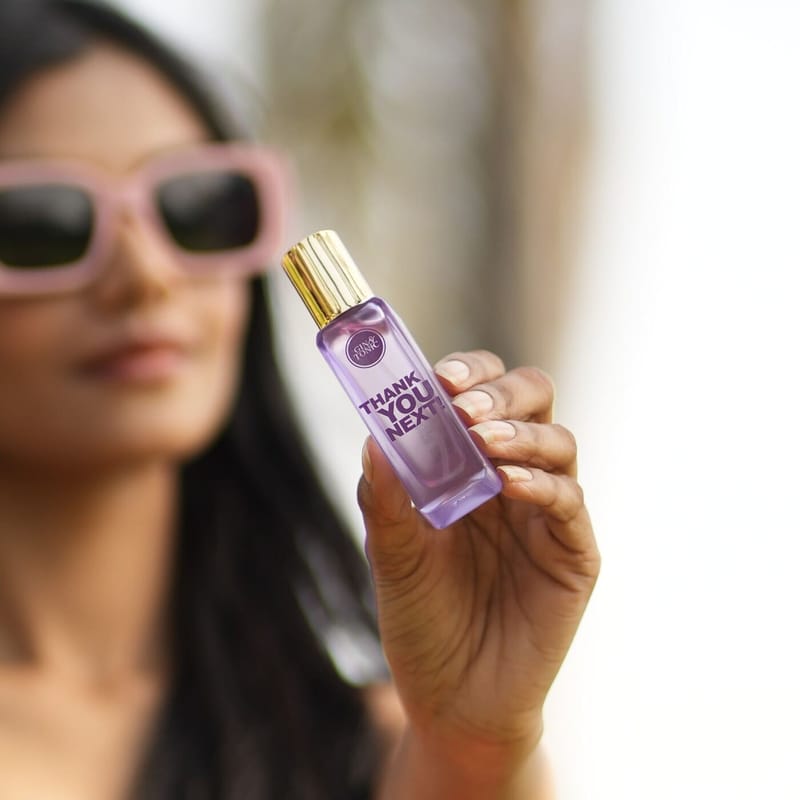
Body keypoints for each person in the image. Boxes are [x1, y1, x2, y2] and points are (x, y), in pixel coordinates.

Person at [0, 1, 600, 798]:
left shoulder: (394, 753)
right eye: (42, 224)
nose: (146, 274)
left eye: (199, 207)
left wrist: (477, 752)